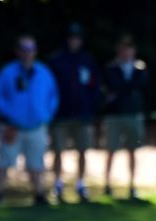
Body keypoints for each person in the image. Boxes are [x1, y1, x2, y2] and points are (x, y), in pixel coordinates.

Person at [0, 35, 59, 206]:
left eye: (31, 49)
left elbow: (53, 96)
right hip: (11, 126)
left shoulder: (44, 72)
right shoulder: (8, 72)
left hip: (37, 126)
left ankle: (39, 194)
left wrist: (46, 116)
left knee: (37, 162)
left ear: (35, 52)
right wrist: (8, 117)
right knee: (5, 161)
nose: (27, 53)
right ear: (18, 51)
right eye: (24, 49)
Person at [49, 23, 101, 202]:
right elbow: (50, 89)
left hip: (83, 114)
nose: (74, 41)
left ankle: (80, 184)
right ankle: (58, 184)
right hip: (61, 114)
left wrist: (91, 107)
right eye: (72, 37)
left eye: (77, 38)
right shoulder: (57, 60)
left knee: (82, 151)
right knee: (58, 151)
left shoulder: (87, 60)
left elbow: (95, 87)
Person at [103, 35, 148, 199]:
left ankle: (132, 185)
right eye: (123, 49)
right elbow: (114, 87)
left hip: (133, 115)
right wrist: (125, 89)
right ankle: (107, 184)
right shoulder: (111, 68)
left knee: (132, 151)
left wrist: (123, 90)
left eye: (129, 48)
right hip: (114, 115)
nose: (126, 52)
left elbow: (138, 87)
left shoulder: (140, 69)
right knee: (111, 150)